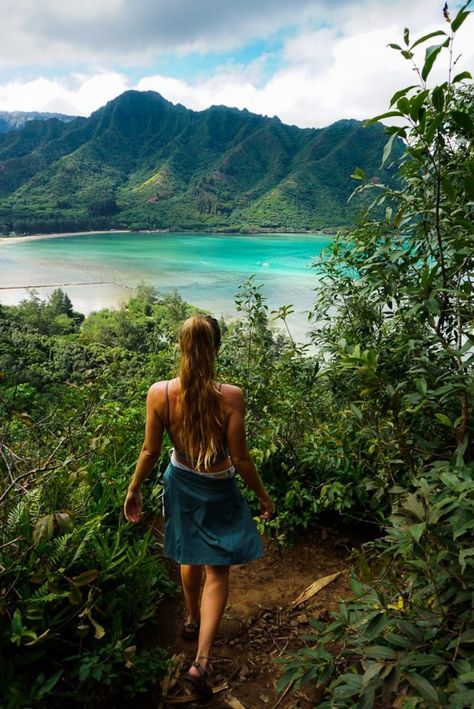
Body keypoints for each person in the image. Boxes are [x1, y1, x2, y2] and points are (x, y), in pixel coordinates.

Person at [123, 314, 275, 699]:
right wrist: (262, 494)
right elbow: (240, 459)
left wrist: (134, 488)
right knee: (217, 569)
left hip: (181, 480)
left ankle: (191, 619)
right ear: (216, 349)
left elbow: (150, 450)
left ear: (181, 347)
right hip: (218, 486)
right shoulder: (231, 396)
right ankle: (202, 661)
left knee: (189, 552)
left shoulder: (160, 393)